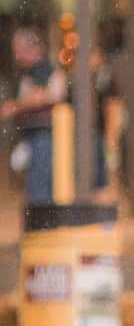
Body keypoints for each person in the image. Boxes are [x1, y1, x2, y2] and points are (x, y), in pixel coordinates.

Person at [4, 27, 65, 207]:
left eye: (19, 51)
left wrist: (15, 106)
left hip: (43, 133)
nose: (17, 57)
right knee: (35, 181)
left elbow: (45, 96)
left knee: (40, 182)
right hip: (34, 134)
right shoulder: (31, 72)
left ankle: (42, 220)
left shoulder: (44, 70)